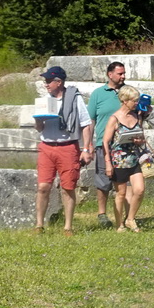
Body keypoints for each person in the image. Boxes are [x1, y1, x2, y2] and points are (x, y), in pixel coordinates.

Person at [34, 66, 93, 236]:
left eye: (48, 81)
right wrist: (39, 120)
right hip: (47, 147)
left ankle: (68, 226)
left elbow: (86, 124)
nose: (46, 84)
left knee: (68, 187)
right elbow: (39, 128)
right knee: (43, 186)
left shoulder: (74, 99)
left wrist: (86, 149)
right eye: (45, 81)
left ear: (58, 82)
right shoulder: (45, 100)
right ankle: (39, 225)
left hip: (67, 147)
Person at [102, 86, 148, 232]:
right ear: (124, 100)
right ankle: (119, 224)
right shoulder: (114, 119)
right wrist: (108, 163)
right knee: (121, 193)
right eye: (134, 101)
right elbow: (105, 141)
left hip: (134, 158)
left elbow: (142, 137)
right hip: (119, 160)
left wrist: (139, 141)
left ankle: (130, 219)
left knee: (139, 190)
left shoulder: (137, 116)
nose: (136, 103)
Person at [87, 61, 126, 227]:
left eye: (124, 73)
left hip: (125, 144)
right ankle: (102, 214)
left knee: (126, 181)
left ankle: (126, 215)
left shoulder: (128, 92)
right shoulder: (97, 94)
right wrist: (88, 143)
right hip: (104, 144)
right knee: (103, 180)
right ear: (110, 75)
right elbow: (90, 120)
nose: (123, 76)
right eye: (120, 73)